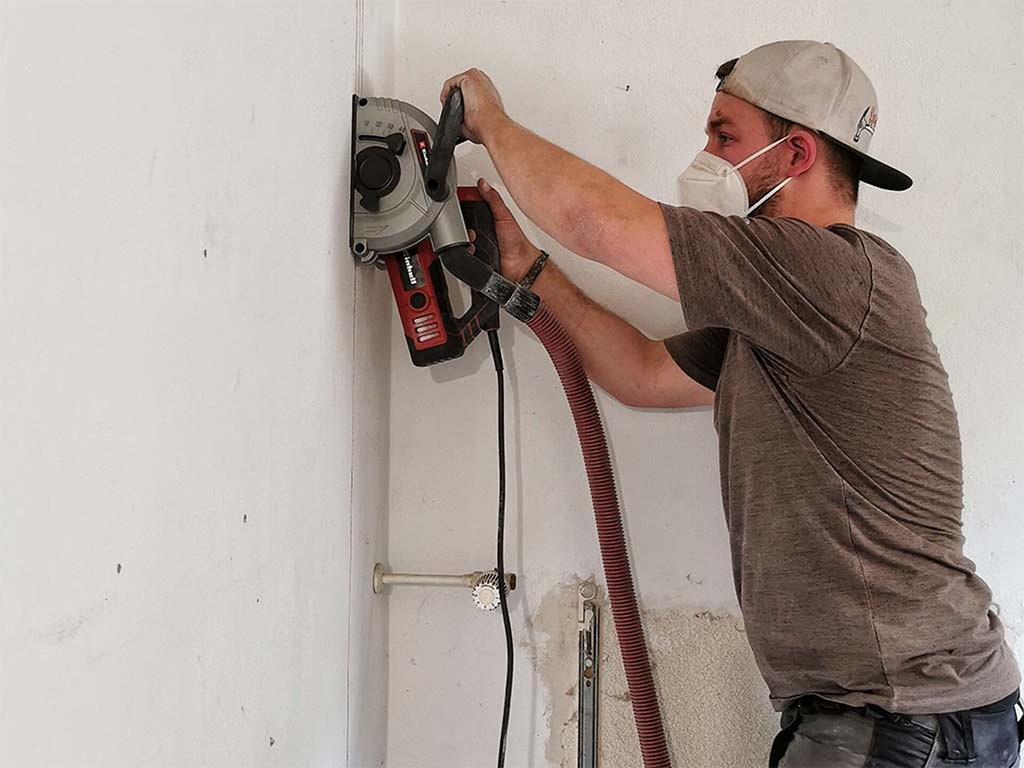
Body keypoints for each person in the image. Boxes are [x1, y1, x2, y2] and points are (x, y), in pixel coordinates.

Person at [442, 40, 1023, 767]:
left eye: (724, 136)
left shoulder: (828, 271)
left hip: (905, 719)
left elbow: (597, 224)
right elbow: (642, 374)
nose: (706, 156)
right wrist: (530, 269)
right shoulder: (778, 314)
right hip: (901, 716)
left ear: (796, 153)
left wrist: (491, 122)